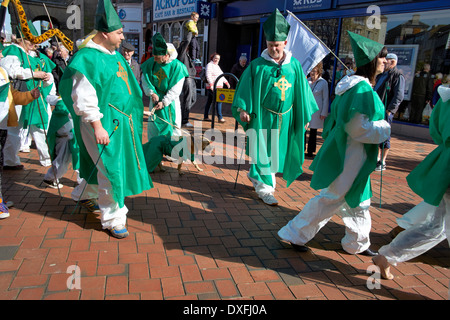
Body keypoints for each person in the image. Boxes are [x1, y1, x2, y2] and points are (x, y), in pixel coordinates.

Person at [278, 31, 391, 256]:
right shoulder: (361, 89)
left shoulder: (356, 86)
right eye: (381, 57)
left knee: (359, 200)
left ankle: (357, 243)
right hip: (352, 154)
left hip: (352, 153)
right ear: (371, 61)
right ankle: (294, 233)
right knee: (333, 198)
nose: (385, 61)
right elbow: (358, 128)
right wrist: (385, 129)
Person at [59, 0, 153, 239]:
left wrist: (133, 110)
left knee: (98, 165)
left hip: (121, 122)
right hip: (102, 124)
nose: (123, 37)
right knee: (112, 170)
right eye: (119, 32)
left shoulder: (116, 56)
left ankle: (82, 194)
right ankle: (113, 218)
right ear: (104, 33)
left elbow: (125, 88)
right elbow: (83, 97)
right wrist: (97, 126)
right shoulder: (88, 59)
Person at [231, 9, 318, 206]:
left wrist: (303, 118)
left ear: (285, 43)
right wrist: (243, 109)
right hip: (262, 117)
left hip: (286, 119)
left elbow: (302, 93)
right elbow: (245, 88)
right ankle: (265, 189)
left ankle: (258, 179)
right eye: (270, 45)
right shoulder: (257, 66)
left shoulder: (294, 66)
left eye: (277, 45)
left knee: (275, 154)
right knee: (262, 151)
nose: (273, 49)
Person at [373, 84, 450, 280]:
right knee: (436, 226)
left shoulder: (445, 97)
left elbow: (436, 131)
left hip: (444, 166)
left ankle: (388, 255)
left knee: (436, 226)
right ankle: (388, 255)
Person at [0, 29, 54, 169]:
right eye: (30, 39)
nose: (34, 43)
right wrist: (34, 74)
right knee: (14, 128)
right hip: (15, 95)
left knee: (36, 126)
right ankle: (10, 161)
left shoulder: (30, 54)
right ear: (21, 39)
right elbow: (12, 71)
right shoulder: (13, 50)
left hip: (30, 95)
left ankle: (44, 158)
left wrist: (44, 76)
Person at [0, 66, 40, 219]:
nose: (1, 53)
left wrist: (29, 95)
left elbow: (12, 95)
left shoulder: (2, 71)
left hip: (2, 124)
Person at [141, 33, 188, 139]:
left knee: (173, 128)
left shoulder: (178, 67)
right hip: (155, 100)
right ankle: (154, 150)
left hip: (170, 102)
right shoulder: (151, 63)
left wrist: (165, 101)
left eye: (158, 57)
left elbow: (176, 89)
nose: (155, 59)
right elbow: (145, 79)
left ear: (167, 55)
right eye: (154, 56)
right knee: (153, 127)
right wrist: (152, 93)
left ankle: (172, 151)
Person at [374, 53, 405, 171]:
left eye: (386, 61)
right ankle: (376, 158)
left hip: (385, 110)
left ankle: (382, 161)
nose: (384, 63)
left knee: (385, 135)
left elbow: (399, 95)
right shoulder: (381, 75)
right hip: (377, 109)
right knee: (376, 133)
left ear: (392, 62)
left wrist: (390, 110)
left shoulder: (397, 76)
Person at [305, 61, 329, 158]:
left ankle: (311, 151)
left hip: (317, 110)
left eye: (314, 71)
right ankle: (302, 149)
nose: (312, 73)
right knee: (304, 129)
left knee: (313, 131)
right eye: (311, 71)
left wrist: (324, 112)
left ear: (319, 71)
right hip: (307, 109)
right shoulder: (307, 81)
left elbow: (326, 98)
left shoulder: (323, 83)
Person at [203, 53, 230, 123]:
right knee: (219, 101)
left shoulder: (217, 66)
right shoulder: (209, 65)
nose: (216, 60)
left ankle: (205, 116)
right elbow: (208, 75)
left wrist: (226, 83)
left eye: (218, 59)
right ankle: (220, 118)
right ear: (212, 58)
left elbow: (221, 75)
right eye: (215, 58)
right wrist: (211, 85)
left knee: (209, 101)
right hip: (213, 87)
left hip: (218, 86)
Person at [177, 39, 197, 128]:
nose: (188, 47)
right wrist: (191, 32)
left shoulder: (187, 54)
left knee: (193, 99)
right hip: (187, 78)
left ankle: (181, 115)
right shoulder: (181, 53)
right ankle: (184, 120)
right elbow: (186, 42)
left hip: (191, 78)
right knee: (187, 99)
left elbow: (192, 45)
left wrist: (194, 37)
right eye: (187, 46)